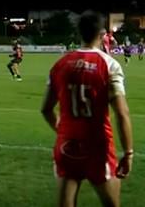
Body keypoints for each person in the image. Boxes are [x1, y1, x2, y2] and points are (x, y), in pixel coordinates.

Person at [40, 11, 134, 207]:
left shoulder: (60, 65)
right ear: (102, 35)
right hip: (98, 148)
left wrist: (62, 130)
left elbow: (45, 109)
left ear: (79, 33)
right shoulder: (109, 65)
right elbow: (122, 113)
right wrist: (128, 152)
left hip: (67, 146)